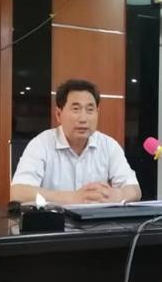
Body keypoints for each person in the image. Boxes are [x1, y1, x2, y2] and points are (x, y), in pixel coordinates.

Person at [10, 79, 141, 205]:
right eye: (76, 109)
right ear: (58, 114)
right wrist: (74, 197)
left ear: (97, 113)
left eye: (90, 110)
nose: (83, 118)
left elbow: (135, 190)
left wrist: (117, 195)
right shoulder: (41, 144)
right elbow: (18, 192)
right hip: (55, 220)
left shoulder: (109, 145)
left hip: (96, 220)